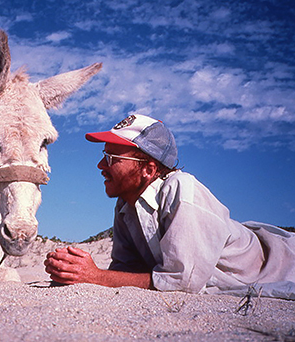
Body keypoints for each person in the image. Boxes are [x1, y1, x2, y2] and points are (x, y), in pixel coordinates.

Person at [44, 114, 295, 298]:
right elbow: (126, 271)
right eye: (103, 155)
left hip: (281, 263)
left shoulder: (182, 189)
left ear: (148, 169)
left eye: (112, 158)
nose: (101, 165)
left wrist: (95, 277)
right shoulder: (125, 204)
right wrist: (72, 270)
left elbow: (182, 282)